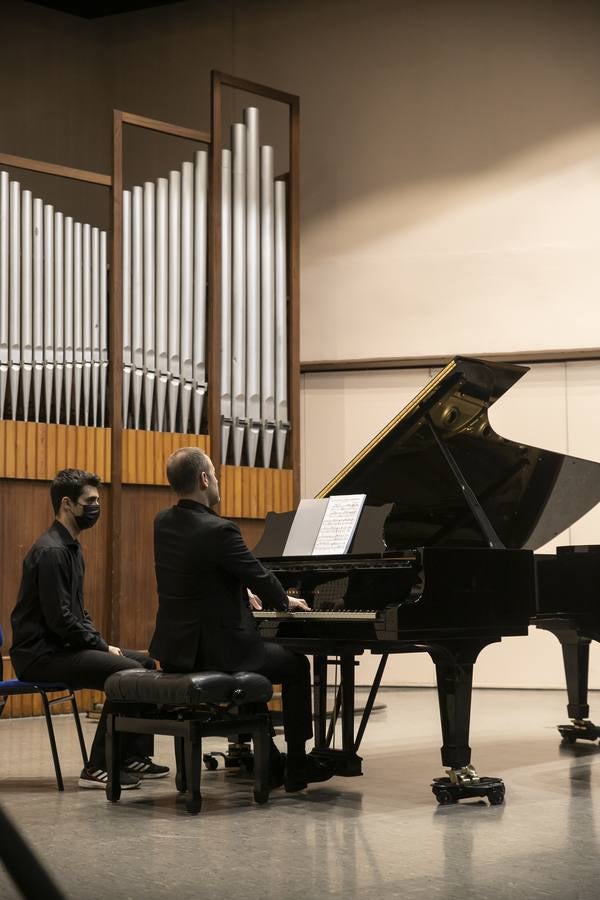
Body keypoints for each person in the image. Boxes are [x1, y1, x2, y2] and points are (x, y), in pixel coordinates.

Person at [150, 447, 334, 792]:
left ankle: (268, 758)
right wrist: (286, 600)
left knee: (255, 654)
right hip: (217, 652)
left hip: (176, 649)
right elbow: (258, 575)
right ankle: (297, 762)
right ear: (204, 479)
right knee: (296, 664)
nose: (217, 479)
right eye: (214, 473)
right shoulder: (219, 529)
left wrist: (237, 589)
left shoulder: (163, 523)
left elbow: (197, 573)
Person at [10, 468, 169, 790]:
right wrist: (101, 647)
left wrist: (100, 643)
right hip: (40, 655)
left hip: (62, 648)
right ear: (67, 504)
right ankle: (98, 767)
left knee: (145, 664)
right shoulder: (52, 551)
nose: (97, 507)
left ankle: (131, 755)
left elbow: (78, 612)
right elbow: (60, 621)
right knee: (127, 673)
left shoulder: (70, 546)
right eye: (91, 501)